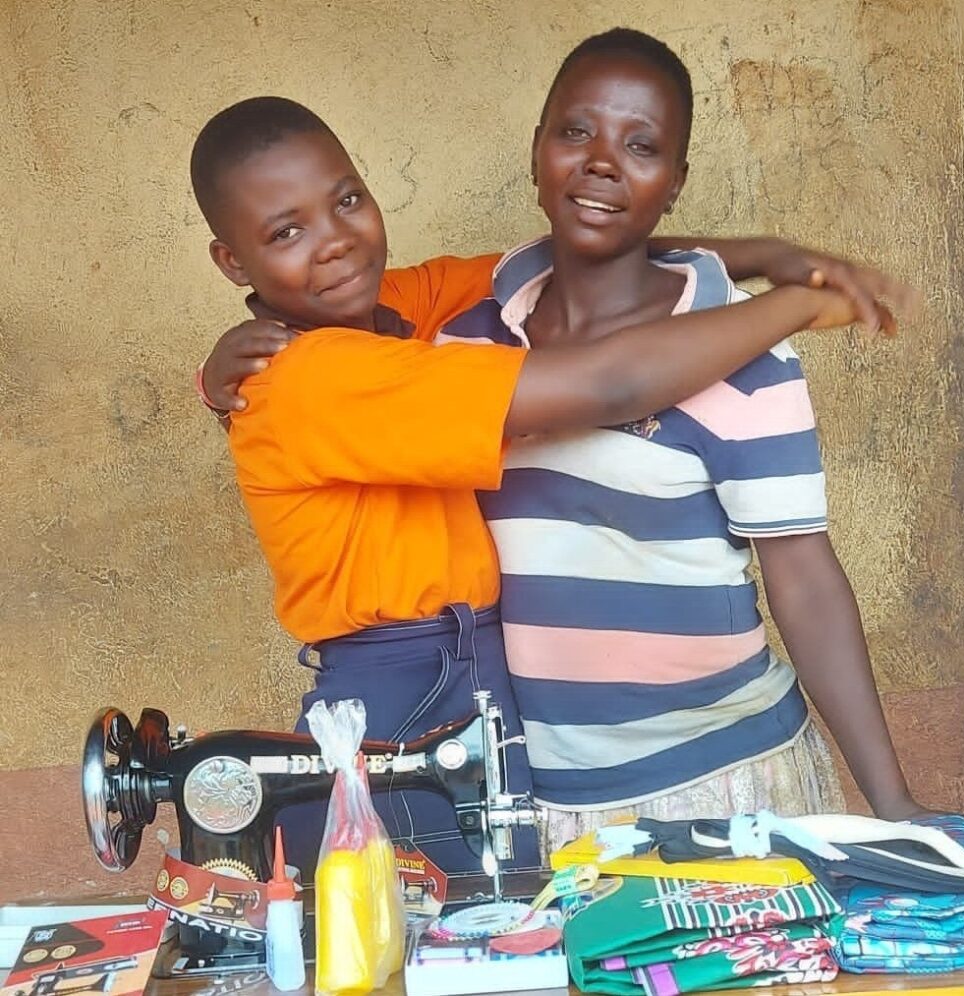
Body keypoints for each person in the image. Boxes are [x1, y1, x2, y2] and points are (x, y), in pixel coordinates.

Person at [190, 95, 906, 878]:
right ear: (233, 263)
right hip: (404, 693)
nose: (333, 244)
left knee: (496, 921)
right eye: (285, 232)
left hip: (481, 672)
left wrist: (762, 252)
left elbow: (592, 255)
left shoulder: (396, 304)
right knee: (443, 929)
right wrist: (794, 302)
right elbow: (609, 386)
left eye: (347, 201)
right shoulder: (313, 376)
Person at [433, 28, 930, 856]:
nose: (601, 162)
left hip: (727, 784)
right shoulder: (466, 345)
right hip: (536, 800)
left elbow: (802, 579)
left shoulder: (743, 350)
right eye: (575, 131)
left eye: (641, 145)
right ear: (535, 151)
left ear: (674, 183)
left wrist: (895, 807)